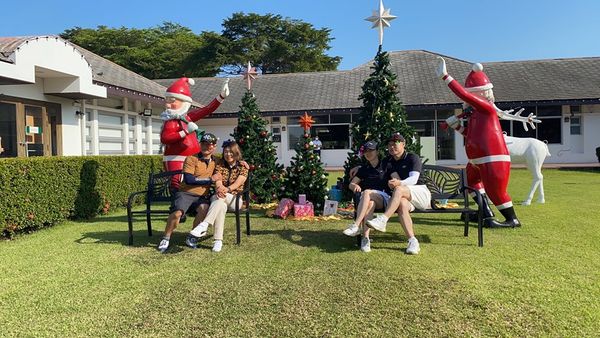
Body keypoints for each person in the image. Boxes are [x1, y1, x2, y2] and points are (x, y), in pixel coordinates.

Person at [436, 57, 521, 228]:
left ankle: (512, 220)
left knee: (496, 192)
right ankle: (486, 212)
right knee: (469, 182)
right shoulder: (476, 113)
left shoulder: (486, 107)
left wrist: (445, 77)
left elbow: (463, 94)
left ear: (479, 94)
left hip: (493, 158)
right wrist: (457, 128)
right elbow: (472, 136)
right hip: (477, 160)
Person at [365, 133, 432, 255]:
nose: (392, 147)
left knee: (399, 189)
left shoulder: (412, 157)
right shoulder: (388, 160)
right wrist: (358, 168)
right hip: (402, 198)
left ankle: (383, 219)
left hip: (420, 192)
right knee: (401, 203)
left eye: (395, 144)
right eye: (389, 145)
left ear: (403, 144)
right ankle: (413, 241)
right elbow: (374, 165)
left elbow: (414, 180)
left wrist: (399, 183)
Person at [160, 77, 230, 190]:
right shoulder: (171, 122)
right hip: (176, 158)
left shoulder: (187, 118)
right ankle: (178, 205)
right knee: (177, 184)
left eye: (172, 101)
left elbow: (206, 110)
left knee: (195, 183)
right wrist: (186, 132)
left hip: (194, 158)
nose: (168, 105)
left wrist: (221, 97)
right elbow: (165, 138)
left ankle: (193, 204)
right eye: (167, 100)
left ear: (184, 102)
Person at [157, 133, 219, 253]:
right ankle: (166, 238)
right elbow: (189, 180)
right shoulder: (191, 158)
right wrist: (210, 180)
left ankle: (192, 236)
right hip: (185, 193)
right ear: (200, 145)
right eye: (204, 144)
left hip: (202, 196)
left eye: (210, 145)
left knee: (204, 208)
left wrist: (243, 163)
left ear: (214, 146)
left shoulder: (216, 161)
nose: (206, 147)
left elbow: (231, 161)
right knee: (177, 214)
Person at [189, 140, 248, 252]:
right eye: (225, 152)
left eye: (231, 152)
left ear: (236, 153)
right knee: (220, 204)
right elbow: (218, 180)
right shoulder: (220, 165)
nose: (228, 154)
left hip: (235, 200)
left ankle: (205, 224)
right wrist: (220, 188)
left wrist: (226, 189)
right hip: (219, 197)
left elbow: (238, 183)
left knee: (220, 198)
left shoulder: (243, 166)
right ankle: (218, 241)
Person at [342, 140, 391, 253]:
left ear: (377, 151)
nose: (368, 153)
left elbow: (396, 178)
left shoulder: (386, 165)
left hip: (384, 197)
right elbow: (351, 184)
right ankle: (366, 239)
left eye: (371, 150)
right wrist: (354, 186)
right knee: (370, 203)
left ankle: (356, 225)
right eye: (366, 151)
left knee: (367, 192)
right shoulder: (364, 169)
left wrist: (396, 182)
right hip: (369, 199)